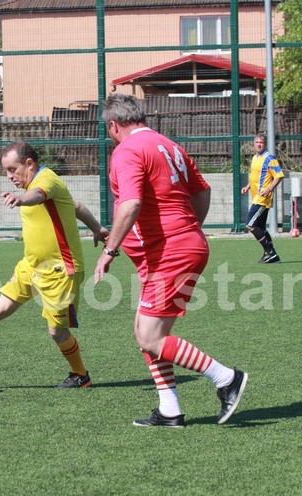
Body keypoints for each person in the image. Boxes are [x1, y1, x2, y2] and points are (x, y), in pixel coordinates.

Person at [95, 93, 247, 428]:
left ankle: (226, 378)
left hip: (171, 254)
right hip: (180, 248)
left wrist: (109, 251)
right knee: (145, 331)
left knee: (150, 336)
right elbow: (202, 191)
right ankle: (169, 409)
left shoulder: (128, 151)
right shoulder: (168, 145)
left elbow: (130, 204)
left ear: (113, 125)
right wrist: (189, 229)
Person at [0, 141, 109, 388]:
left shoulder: (45, 180)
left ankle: (80, 375)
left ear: (29, 163)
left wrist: (22, 199)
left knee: (57, 332)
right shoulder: (37, 185)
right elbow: (75, 205)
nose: (9, 176)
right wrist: (98, 229)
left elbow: (37, 196)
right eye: (6, 171)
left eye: (12, 169)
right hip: (30, 266)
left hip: (60, 271)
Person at [241, 134, 284, 263]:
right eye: (257, 142)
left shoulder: (269, 158)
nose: (259, 144)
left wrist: (269, 188)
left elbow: (279, 176)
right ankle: (271, 255)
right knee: (260, 228)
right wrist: (248, 187)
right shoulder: (255, 158)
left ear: (265, 144)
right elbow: (255, 176)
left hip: (262, 199)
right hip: (255, 197)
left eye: (261, 142)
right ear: (254, 144)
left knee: (250, 225)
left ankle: (270, 252)